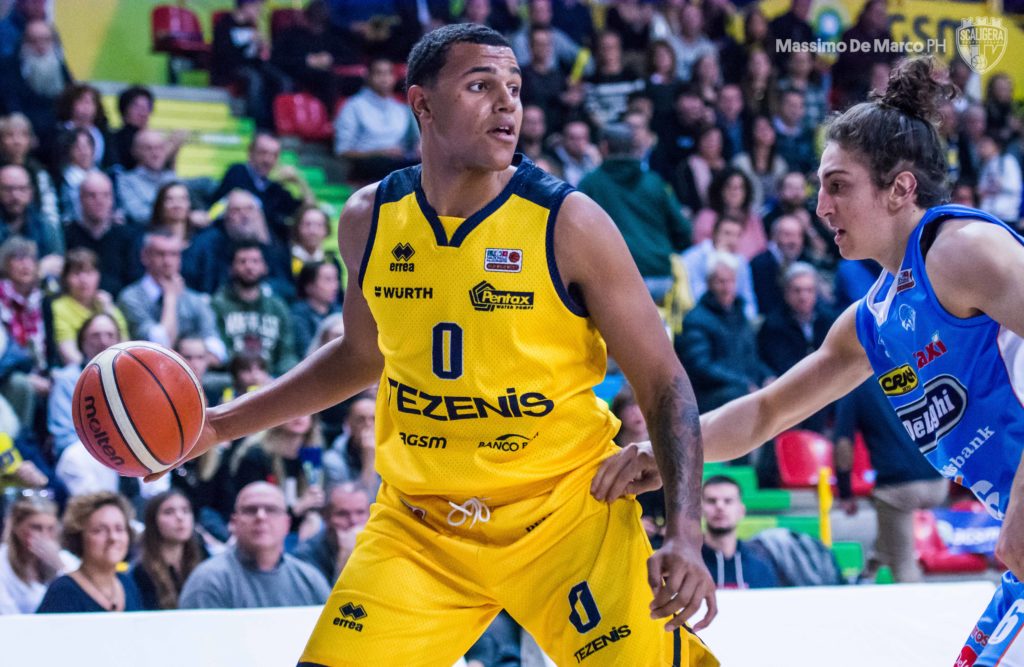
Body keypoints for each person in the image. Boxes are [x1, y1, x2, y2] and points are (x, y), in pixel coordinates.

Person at [160, 24, 717, 666]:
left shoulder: (572, 223)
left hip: (566, 517)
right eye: (481, 86)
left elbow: (664, 382)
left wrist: (685, 533)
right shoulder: (368, 219)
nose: (507, 103)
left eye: (514, 88)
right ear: (422, 104)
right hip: (421, 528)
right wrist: (219, 424)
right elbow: (362, 356)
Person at [596, 56, 1024, 666]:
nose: (821, 206)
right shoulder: (872, 319)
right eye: (821, 186)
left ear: (901, 188)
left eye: (838, 185)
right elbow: (766, 412)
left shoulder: (961, 249)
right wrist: (665, 454)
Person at [833, 380, 948, 583]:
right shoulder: (909, 368)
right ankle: (869, 574)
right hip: (939, 480)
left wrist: (845, 492)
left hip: (899, 487)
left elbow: (843, 446)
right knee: (889, 535)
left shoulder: (854, 384)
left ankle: (916, 601)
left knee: (903, 566)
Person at [576, 122, 690, 302]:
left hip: (616, 278)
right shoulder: (655, 182)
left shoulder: (590, 184)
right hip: (660, 276)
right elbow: (683, 230)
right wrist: (661, 252)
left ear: (604, 147)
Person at [177, 481, 330, 609]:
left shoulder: (310, 580)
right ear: (234, 523)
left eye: (271, 510)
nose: (261, 516)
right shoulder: (208, 581)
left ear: (287, 523)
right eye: (250, 510)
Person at [116, 230, 226, 363]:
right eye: (160, 254)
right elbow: (160, 348)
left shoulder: (195, 299)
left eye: (174, 254)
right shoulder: (130, 298)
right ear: (145, 256)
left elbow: (218, 352)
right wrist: (170, 298)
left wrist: (189, 360)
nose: (167, 261)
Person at [37, 492, 143, 613]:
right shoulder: (62, 592)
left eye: (119, 529)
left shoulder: (127, 584)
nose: (113, 538)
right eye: (100, 530)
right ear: (78, 537)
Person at [211, 242, 297, 376]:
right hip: (230, 379)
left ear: (265, 267)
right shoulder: (217, 305)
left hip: (272, 378)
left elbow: (287, 353)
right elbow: (217, 352)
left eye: (255, 261)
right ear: (231, 268)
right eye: (242, 261)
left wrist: (278, 379)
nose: (249, 267)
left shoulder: (277, 307)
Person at [209, 133, 314, 242]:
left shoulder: (276, 188)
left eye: (274, 155)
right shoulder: (237, 172)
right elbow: (219, 206)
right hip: (230, 240)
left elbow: (310, 212)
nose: (268, 160)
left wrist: (300, 182)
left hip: (266, 247)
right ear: (250, 153)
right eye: (263, 153)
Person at [333, 57, 420, 183]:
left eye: (389, 73)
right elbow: (342, 151)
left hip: (399, 161)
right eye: (379, 73)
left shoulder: (402, 109)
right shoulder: (353, 106)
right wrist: (380, 153)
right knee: (394, 169)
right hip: (367, 164)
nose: (384, 78)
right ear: (368, 77)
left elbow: (413, 145)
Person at [210, 0, 291, 131]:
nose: (259, 11)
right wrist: (248, 42)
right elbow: (224, 55)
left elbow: (255, 55)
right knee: (254, 79)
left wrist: (262, 48)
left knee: (282, 80)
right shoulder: (224, 25)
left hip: (253, 65)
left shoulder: (252, 26)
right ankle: (258, 124)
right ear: (246, 6)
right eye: (257, 8)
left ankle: (280, 123)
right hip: (230, 68)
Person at [64, 172, 143, 296]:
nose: (99, 201)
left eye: (106, 195)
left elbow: (135, 280)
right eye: (92, 195)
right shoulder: (66, 235)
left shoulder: (129, 237)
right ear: (80, 199)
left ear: (113, 199)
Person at [50, 247, 129, 366]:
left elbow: (126, 347)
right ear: (65, 278)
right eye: (76, 273)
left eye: (89, 272)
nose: (83, 280)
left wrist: (108, 310)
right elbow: (69, 355)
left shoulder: (106, 304)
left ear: (98, 275)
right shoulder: (58, 307)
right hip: (80, 369)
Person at [130, 490, 207, 610]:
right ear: (153, 521)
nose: (180, 517)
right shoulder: (141, 572)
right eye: (169, 512)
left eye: (185, 510)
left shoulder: (204, 559)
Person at [0, 494, 77, 614]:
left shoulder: (66, 560)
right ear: (16, 527)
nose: (44, 536)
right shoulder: (2, 564)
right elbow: (9, 616)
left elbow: (83, 598)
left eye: (50, 528)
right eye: (36, 528)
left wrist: (60, 567)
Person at [700, 476, 778, 589]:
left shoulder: (760, 568)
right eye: (711, 501)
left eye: (728, 501)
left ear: (741, 511)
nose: (720, 506)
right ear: (700, 510)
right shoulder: (688, 563)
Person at [293, 482, 371, 584]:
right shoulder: (305, 557)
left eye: (360, 512)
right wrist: (345, 558)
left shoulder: (380, 545)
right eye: (342, 514)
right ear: (326, 517)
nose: (353, 521)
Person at [114, 129, 177, 225]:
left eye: (160, 148)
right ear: (136, 152)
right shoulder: (126, 180)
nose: (156, 154)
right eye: (149, 148)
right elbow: (138, 215)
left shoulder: (172, 178)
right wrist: (176, 214)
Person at [291, 260, 341, 357]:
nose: (335, 286)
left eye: (336, 279)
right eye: (328, 280)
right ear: (309, 286)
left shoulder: (340, 311)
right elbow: (305, 354)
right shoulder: (297, 315)